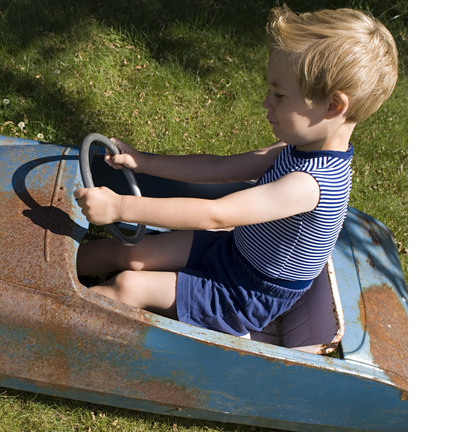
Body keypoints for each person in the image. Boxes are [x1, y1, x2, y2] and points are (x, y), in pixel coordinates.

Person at [72, 5, 398, 337]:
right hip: (232, 252)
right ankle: (41, 271)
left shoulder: (308, 185)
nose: (266, 103)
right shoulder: (299, 150)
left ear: (333, 106)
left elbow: (217, 215)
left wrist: (119, 207)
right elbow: (221, 167)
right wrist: (144, 162)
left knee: (129, 286)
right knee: (128, 252)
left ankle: (55, 329)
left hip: (244, 295)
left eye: (280, 95)